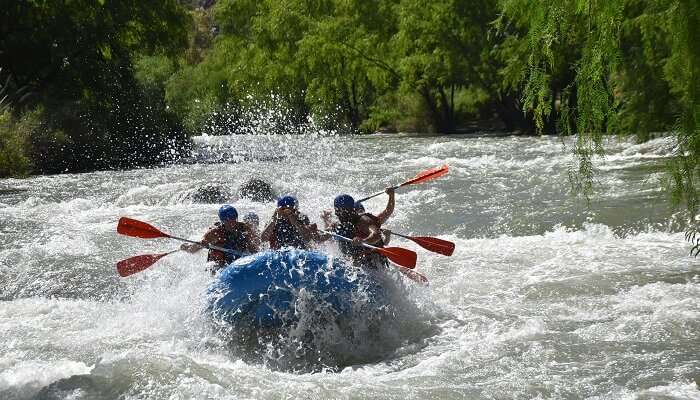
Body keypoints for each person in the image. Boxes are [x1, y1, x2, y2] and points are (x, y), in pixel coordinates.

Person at [321, 188, 395, 268]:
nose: (337, 214)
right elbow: (323, 237)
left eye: (340, 211)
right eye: (337, 210)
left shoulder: (364, 221)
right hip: (353, 263)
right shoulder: (338, 224)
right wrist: (325, 222)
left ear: (350, 210)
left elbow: (376, 235)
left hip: (372, 263)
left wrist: (364, 240)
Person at [181, 205, 259, 272]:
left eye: (233, 218)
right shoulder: (215, 232)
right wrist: (201, 245)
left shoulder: (244, 228)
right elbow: (199, 245)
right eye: (228, 220)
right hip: (221, 264)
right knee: (214, 257)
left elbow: (254, 247)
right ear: (223, 220)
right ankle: (186, 246)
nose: (232, 222)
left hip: (238, 259)